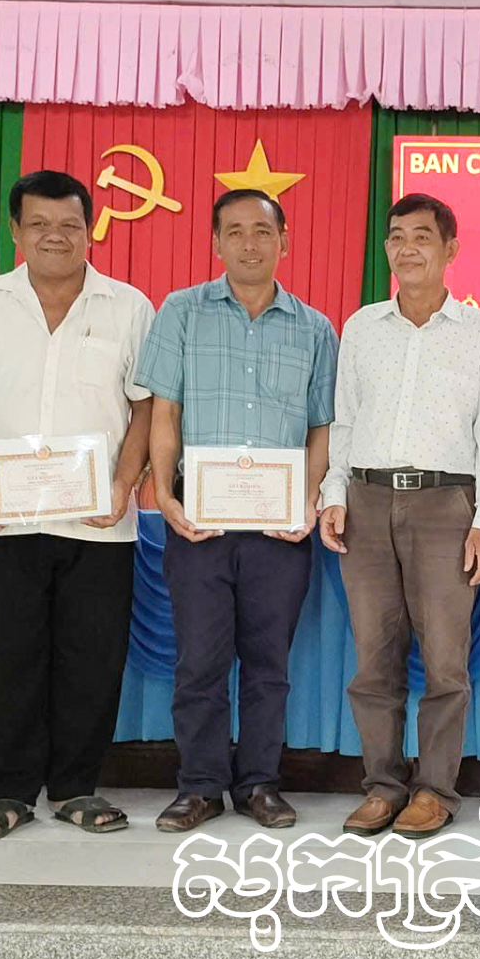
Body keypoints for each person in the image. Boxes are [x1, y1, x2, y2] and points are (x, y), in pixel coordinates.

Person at [0, 170, 155, 842]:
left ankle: (76, 787)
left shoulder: (128, 307)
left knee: (92, 659)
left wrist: (123, 485)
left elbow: (145, 410)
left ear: (90, 230)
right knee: (8, 657)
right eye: (39, 224)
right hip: (6, 521)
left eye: (69, 225)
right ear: (15, 231)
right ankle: (8, 791)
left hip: (100, 524)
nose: (55, 236)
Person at [137, 188, 337, 834]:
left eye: (262, 231)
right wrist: (165, 493)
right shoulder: (181, 312)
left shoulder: (315, 328)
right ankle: (199, 786)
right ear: (215, 243)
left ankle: (258, 783)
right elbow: (165, 412)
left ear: (285, 242)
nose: (250, 243)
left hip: (280, 528)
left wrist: (307, 499)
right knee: (200, 661)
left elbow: (322, 426)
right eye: (235, 231)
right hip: (200, 521)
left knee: (268, 666)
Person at [319, 193, 480, 839]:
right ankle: (381, 786)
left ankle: (434, 790)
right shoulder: (361, 328)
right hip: (367, 501)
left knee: (445, 663)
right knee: (373, 659)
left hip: (444, 505)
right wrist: (334, 493)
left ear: (450, 249)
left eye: (422, 237)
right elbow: (345, 420)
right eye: (397, 236)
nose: (407, 248)